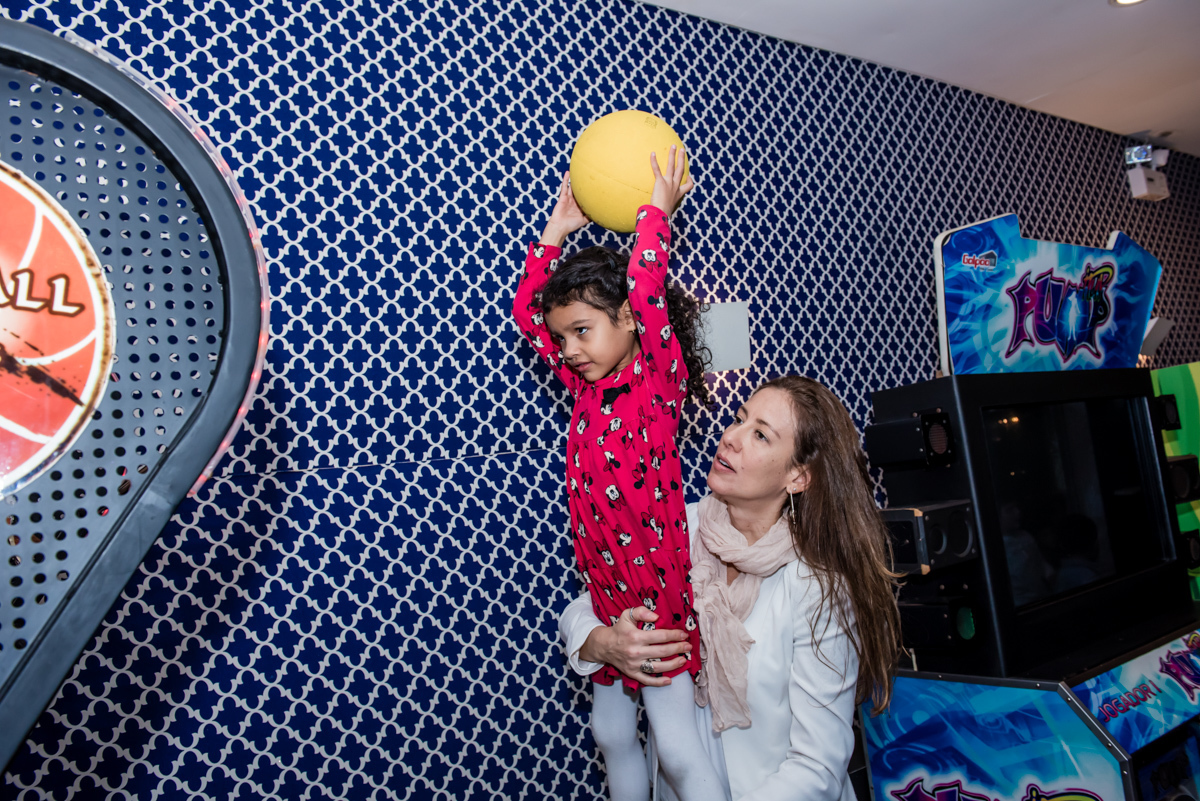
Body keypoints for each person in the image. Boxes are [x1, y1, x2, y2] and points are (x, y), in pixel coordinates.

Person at [561, 376, 903, 800]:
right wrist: (604, 643)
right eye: (739, 419)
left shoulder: (817, 586)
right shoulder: (678, 527)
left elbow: (819, 765)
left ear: (797, 477)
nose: (731, 437)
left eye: (759, 434)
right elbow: (587, 603)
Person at [513, 148, 727, 801]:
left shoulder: (657, 385)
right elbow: (529, 314)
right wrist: (554, 231)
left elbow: (645, 285)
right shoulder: (584, 390)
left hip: (656, 597)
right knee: (610, 734)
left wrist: (652, 216)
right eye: (564, 338)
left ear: (630, 322)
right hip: (604, 589)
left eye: (581, 331)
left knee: (680, 747)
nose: (569, 348)